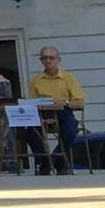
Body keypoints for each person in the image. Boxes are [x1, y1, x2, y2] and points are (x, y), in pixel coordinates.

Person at [29, 45, 88, 175]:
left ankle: (55, 161)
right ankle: (44, 161)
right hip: (42, 114)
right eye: (44, 58)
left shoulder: (68, 78)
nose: (48, 60)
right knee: (28, 131)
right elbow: (30, 101)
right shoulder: (36, 80)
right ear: (41, 60)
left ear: (58, 60)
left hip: (63, 112)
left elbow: (80, 103)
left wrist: (65, 102)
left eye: (51, 57)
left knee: (70, 128)